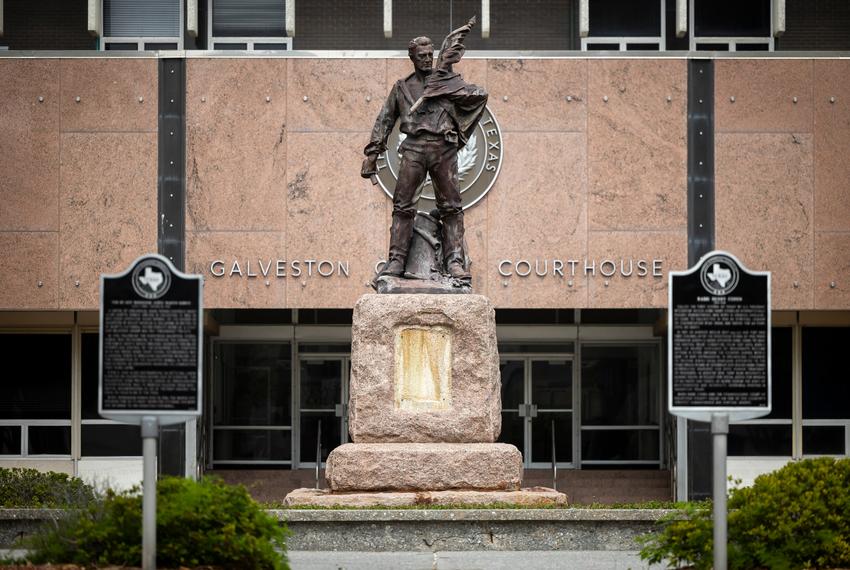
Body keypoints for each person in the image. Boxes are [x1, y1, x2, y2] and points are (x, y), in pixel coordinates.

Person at [361, 18, 487, 281]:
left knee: (451, 207)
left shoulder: (447, 81)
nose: (427, 59)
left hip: (443, 148)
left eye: (431, 54)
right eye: (422, 56)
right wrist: (372, 155)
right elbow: (385, 120)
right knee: (402, 206)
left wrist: (452, 91)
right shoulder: (402, 87)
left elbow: (479, 96)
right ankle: (396, 261)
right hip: (414, 149)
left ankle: (454, 262)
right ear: (412, 57)